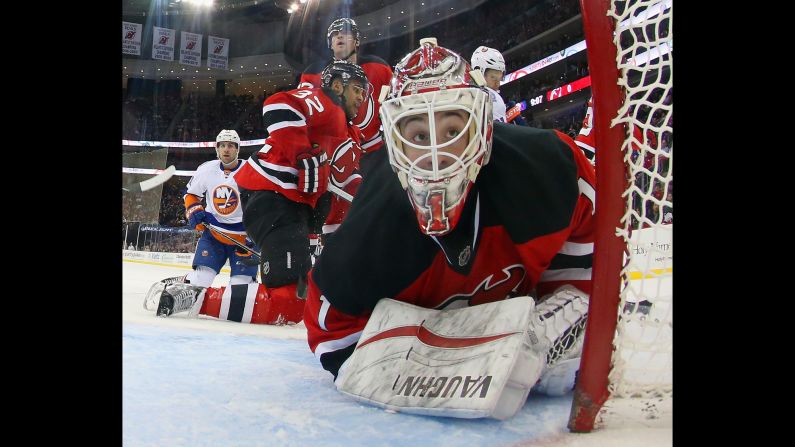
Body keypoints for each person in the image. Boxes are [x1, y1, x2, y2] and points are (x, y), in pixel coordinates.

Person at [302, 39, 597, 419]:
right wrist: (474, 354)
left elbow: (582, 290)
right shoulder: (371, 231)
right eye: (419, 136)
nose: (436, 157)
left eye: (453, 128)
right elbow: (334, 340)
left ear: (483, 128)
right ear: (395, 143)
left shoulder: (548, 171)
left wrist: (545, 341)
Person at [233, 60, 369, 312]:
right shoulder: (327, 101)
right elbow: (278, 105)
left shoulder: (353, 135)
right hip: (272, 195)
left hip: (298, 208)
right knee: (287, 299)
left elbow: (343, 186)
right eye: (357, 89)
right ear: (338, 86)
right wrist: (302, 153)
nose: (362, 97)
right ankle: (196, 298)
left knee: (304, 295)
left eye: (364, 92)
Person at [299, 18, 393, 175]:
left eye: (345, 33)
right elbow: (304, 113)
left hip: (374, 150)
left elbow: (393, 104)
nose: (340, 36)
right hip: (334, 153)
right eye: (335, 34)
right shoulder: (312, 73)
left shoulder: (379, 67)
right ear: (330, 43)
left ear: (356, 41)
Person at [471, 46, 508, 123]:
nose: (497, 83)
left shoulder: (470, 94)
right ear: (479, 72)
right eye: (493, 77)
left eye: (500, 78)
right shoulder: (490, 97)